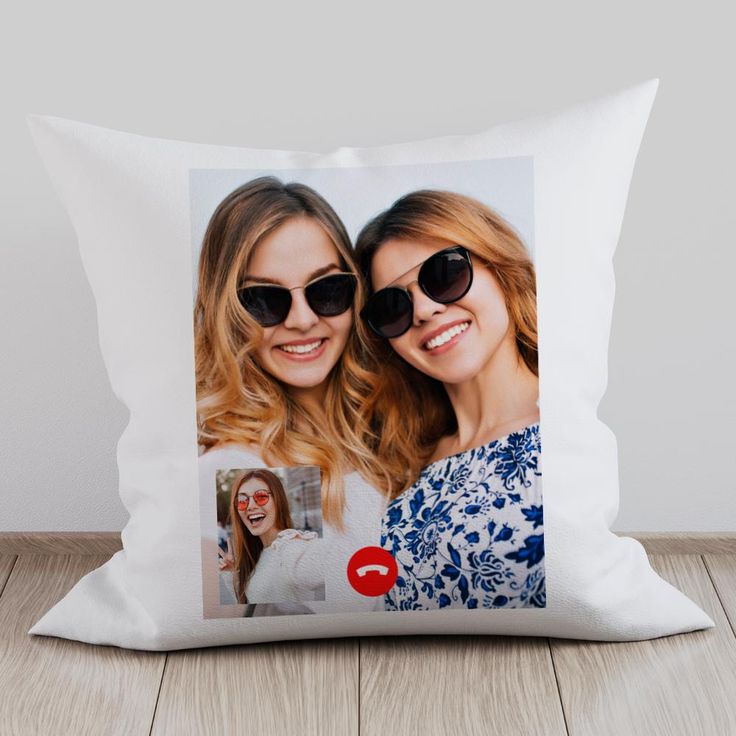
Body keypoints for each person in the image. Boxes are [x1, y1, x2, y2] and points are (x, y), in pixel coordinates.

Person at [195, 176, 388, 615]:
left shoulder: (395, 432)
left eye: (327, 290)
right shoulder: (230, 465)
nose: (302, 320)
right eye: (264, 299)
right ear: (228, 313)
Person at [355, 189, 545, 611]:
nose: (422, 311)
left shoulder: (565, 427)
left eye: (444, 274)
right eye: (392, 306)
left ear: (500, 268)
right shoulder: (398, 465)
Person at [218, 469, 325, 604]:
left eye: (261, 497)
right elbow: (247, 605)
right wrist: (232, 574)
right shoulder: (255, 553)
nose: (250, 506)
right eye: (242, 500)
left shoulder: (291, 548)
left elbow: (328, 559)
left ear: (278, 500)